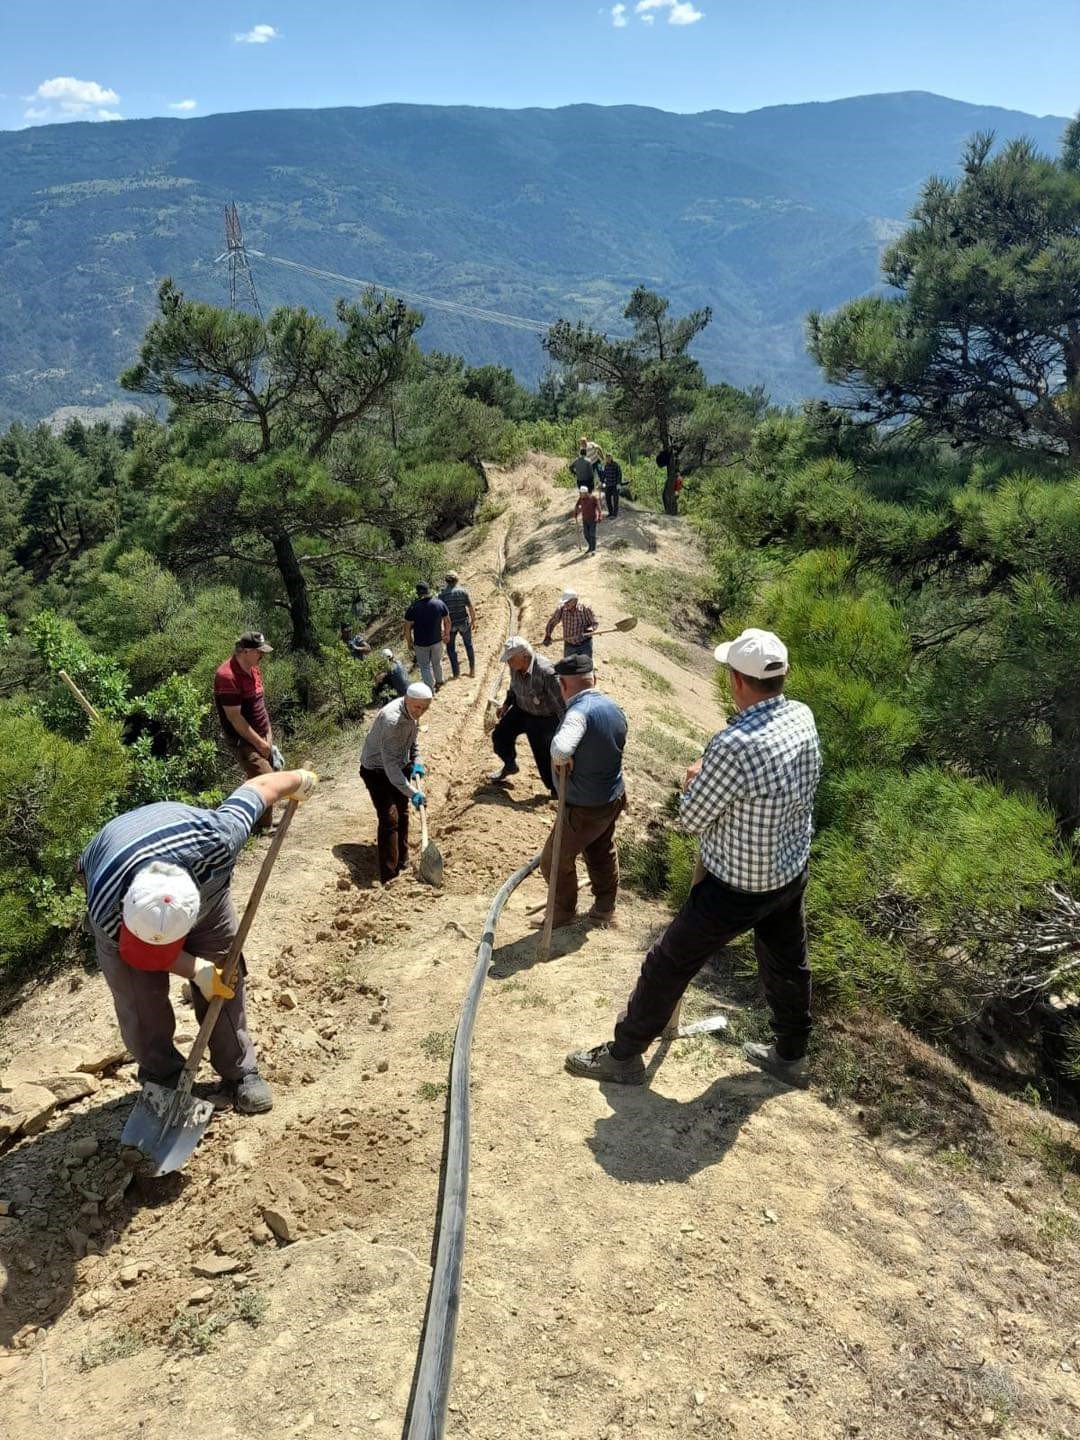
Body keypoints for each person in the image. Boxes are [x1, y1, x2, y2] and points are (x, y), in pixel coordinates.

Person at [565, 628, 822, 1088]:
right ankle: (791, 1055)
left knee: (668, 962)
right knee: (788, 962)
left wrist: (694, 777)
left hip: (734, 886)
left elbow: (692, 817)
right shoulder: (802, 717)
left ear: (738, 682)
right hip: (788, 871)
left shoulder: (734, 744)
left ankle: (624, 1055)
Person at [78, 767, 318, 1114]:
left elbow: (262, 786)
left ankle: (239, 1070)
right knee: (138, 996)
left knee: (226, 974)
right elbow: (139, 952)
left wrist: (300, 779)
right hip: (114, 854)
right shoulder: (107, 905)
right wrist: (193, 969)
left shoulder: (218, 839)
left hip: (197, 875)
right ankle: (163, 1076)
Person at [533, 653, 627, 931]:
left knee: (553, 860)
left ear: (563, 686)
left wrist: (562, 756)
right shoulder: (613, 707)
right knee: (600, 851)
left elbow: (561, 748)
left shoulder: (578, 713)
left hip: (583, 807)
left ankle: (562, 912)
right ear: (593, 679)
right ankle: (605, 909)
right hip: (611, 797)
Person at [359, 682, 433, 883]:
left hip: (399, 764)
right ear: (407, 700)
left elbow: (412, 741)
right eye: (417, 707)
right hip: (377, 770)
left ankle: (403, 860)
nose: (420, 712)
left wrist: (417, 761)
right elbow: (390, 768)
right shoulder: (392, 721)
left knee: (403, 812)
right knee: (390, 818)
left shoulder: (411, 713)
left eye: (424, 708)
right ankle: (389, 875)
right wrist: (413, 792)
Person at [214, 632, 277, 834]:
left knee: (260, 778)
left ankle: (254, 820)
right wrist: (259, 744)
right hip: (242, 740)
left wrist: (268, 735)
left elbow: (260, 704)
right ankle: (260, 827)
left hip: (261, 736)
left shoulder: (253, 668)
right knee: (266, 778)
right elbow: (235, 719)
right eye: (259, 652)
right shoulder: (227, 676)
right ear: (246, 651)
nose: (262, 656)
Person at [489, 636, 565, 794]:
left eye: (511, 659)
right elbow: (513, 687)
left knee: (544, 758)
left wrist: (565, 730)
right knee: (500, 736)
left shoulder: (547, 672)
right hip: (521, 710)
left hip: (543, 719)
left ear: (525, 656)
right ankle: (510, 765)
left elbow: (560, 704)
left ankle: (556, 791)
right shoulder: (515, 667)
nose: (508, 663)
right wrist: (506, 704)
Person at [404, 582, 450, 692]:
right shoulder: (439, 603)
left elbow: (407, 628)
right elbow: (447, 621)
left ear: (417, 593)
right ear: (428, 590)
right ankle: (440, 682)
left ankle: (430, 690)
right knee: (437, 662)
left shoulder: (413, 608)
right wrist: (447, 634)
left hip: (420, 643)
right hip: (437, 640)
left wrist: (409, 642)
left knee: (425, 667)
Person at [438, 570, 477, 680]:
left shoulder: (442, 595)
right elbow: (470, 607)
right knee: (468, 645)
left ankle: (456, 674)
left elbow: (441, 614)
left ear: (446, 581)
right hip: (463, 622)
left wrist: (442, 629)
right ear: (457, 580)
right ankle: (472, 670)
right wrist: (473, 620)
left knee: (451, 649)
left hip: (450, 625)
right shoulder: (463, 592)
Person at [543, 589, 599, 659]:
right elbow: (552, 622)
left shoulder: (585, 609)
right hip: (569, 645)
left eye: (568, 602)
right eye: (565, 602)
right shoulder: (561, 609)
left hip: (584, 644)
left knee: (585, 667)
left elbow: (595, 623)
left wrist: (589, 630)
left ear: (575, 600)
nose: (565, 604)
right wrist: (548, 635)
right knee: (569, 667)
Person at [574, 485, 603, 555]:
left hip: (593, 519)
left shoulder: (593, 498)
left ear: (586, 493)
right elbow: (577, 505)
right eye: (580, 493)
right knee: (586, 534)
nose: (580, 494)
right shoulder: (581, 499)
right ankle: (590, 547)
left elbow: (599, 507)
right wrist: (576, 512)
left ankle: (593, 549)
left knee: (592, 534)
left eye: (581, 493)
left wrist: (600, 515)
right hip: (585, 519)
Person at [601, 453, 623, 518]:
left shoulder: (616, 465)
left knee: (615, 500)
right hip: (608, 485)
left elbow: (619, 474)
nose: (607, 459)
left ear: (611, 458)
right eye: (606, 458)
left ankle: (614, 514)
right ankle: (610, 513)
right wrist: (602, 482)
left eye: (609, 457)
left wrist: (619, 483)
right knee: (608, 499)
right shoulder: (606, 466)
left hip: (615, 485)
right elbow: (604, 475)